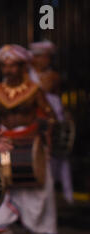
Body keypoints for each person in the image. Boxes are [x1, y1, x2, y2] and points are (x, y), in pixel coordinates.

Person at [0, 44, 65, 234]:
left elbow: (49, 116)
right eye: (4, 66)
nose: (8, 70)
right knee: (3, 190)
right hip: (5, 144)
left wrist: (44, 139)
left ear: (22, 66)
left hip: (31, 143)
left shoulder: (34, 90)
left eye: (13, 66)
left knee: (42, 192)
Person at [29, 40, 74, 204]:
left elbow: (57, 96)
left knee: (58, 153)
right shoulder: (26, 75)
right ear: (34, 58)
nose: (46, 60)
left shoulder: (54, 76)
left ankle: (62, 191)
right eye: (43, 57)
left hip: (53, 113)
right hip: (35, 114)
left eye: (48, 57)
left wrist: (62, 115)